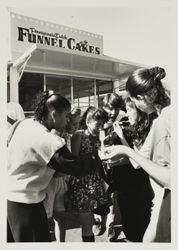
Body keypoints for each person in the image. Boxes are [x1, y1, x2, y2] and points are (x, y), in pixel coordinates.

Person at [7, 90, 101, 242]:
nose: (68, 121)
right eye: (66, 116)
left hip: (10, 199)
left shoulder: (25, 124)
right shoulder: (46, 139)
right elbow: (75, 167)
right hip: (26, 204)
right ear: (53, 114)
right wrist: (98, 156)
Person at [99, 66, 171, 242]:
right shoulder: (161, 118)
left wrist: (124, 150)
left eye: (132, 102)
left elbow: (171, 178)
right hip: (159, 202)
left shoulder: (166, 118)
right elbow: (139, 162)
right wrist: (122, 150)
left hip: (167, 204)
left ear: (141, 98)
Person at [110, 97, 155, 242]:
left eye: (129, 110)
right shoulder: (129, 128)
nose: (126, 113)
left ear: (139, 111)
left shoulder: (147, 131)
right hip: (124, 185)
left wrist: (122, 138)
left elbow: (137, 163)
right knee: (128, 223)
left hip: (140, 187)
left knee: (139, 226)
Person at [66, 106, 109, 242]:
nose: (100, 128)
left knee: (96, 218)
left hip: (96, 181)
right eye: (97, 124)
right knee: (86, 225)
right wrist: (91, 157)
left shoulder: (100, 138)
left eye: (102, 125)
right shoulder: (79, 136)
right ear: (88, 121)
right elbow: (73, 161)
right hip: (82, 184)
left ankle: (103, 224)